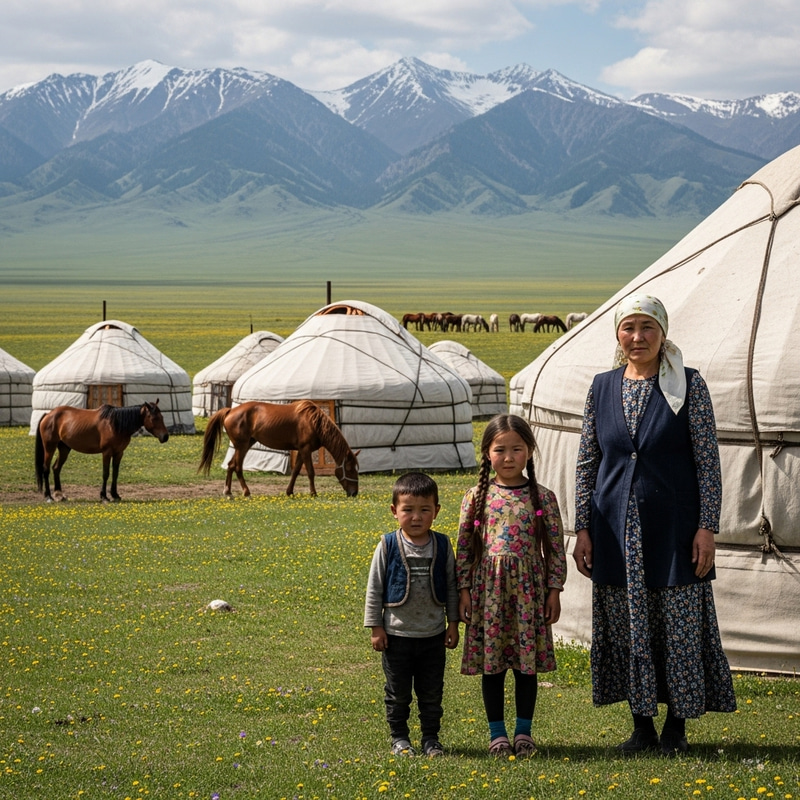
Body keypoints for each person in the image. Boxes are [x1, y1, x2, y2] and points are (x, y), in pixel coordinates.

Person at [573, 292, 736, 757]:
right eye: (629, 328)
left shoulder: (689, 384)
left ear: (663, 334)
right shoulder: (602, 386)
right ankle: (641, 725)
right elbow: (588, 460)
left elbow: (708, 461)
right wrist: (582, 527)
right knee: (628, 626)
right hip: (614, 528)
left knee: (679, 624)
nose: (637, 337)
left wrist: (708, 527)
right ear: (618, 335)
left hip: (674, 528)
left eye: (647, 328)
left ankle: (676, 727)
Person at [457, 414, 567, 758]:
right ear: (487, 453)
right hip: (488, 593)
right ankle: (497, 734)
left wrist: (554, 590)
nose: (508, 457)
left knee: (525, 664)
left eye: (516, 449)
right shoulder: (476, 497)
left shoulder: (543, 498)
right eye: (500, 449)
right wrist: (463, 590)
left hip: (528, 595)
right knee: (492, 664)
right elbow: (464, 547)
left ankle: (523, 733)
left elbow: (555, 548)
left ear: (530, 452)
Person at [364, 471, 460, 757]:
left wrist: (453, 624)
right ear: (395, 511)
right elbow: (375, 587)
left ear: (436, 512)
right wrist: (375, 627)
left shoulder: (443, 545)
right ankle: (400, 738)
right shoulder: (388, 545)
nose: (416, 517)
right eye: (408, 510)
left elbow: (452, 587)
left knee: (432, 693)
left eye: (424, 510)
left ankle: (431, 739)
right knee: (398, 693)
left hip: (433, 634)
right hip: (396, 636)